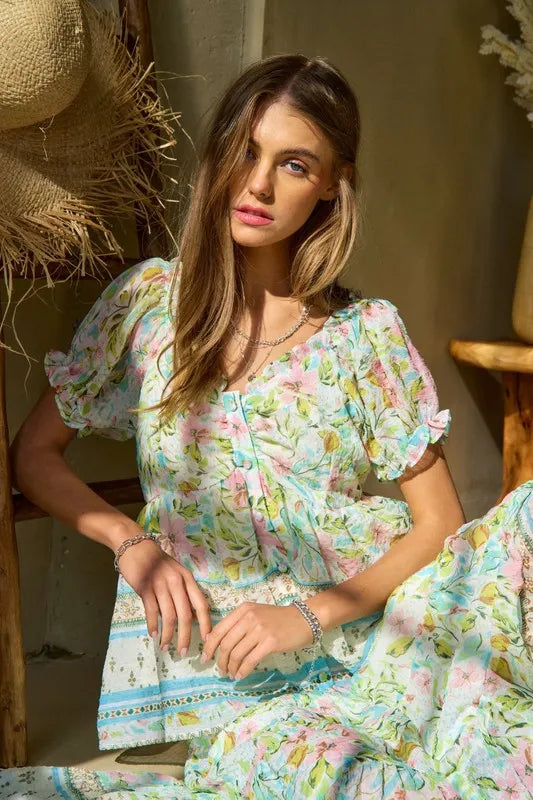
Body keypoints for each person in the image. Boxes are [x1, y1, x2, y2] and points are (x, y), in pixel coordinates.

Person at [4, 54, 532, 799]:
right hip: (235, 677)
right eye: (245, 151)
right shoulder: (147, 307)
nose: (257, 185)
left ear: (330, 185)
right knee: (326, 772)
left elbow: (440, 521)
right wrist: (132, 543)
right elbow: (34, 455)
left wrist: (310, 616)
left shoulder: (364, 334)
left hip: (381, 626)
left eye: (293, 164)